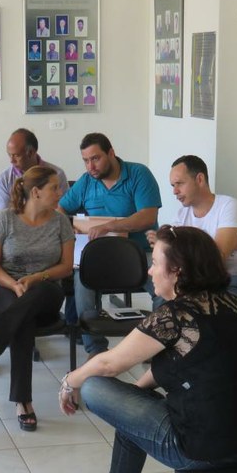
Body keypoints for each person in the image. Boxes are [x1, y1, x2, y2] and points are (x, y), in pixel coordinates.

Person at [59, 225, 237, 473]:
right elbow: (177, 366)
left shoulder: (175, 316)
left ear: (177, 271)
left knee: (94, 388)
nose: (149, 271)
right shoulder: (231, 304)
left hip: (201, 448)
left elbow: (108, 364)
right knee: (129, 418)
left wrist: (70, 381)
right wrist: (132, 398)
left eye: (156, 263)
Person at [0, 166, 74, 431]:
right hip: (6, 287)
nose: (60, 192)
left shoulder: (61, 222)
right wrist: (14, 284)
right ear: (36, 192)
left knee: (34, 297)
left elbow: (66, 267)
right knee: (22, 319)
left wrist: (35, 278)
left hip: (46, 289)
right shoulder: (4, 220)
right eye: (54, 188)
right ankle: (23, 401)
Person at [59, 133, 162, 357]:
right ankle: (95, 349)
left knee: (165, 284)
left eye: (95, 159)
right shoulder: (86, 182)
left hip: (139, 254)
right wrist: (67, 226)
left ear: (111, 153)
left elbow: (147, 216)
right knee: (81, 282)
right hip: (98, 257)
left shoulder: (138, 174)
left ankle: (158, 342)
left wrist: (110, 226)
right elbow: (59, 209)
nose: (90, 166)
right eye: (86, 161)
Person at [149, 155, 237, 308]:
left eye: (179, 184)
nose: (175, 191)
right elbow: (172, 257)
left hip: (229, 282)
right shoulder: (181, 215)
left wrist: (183, 250)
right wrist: (211, 241)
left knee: (211, 312)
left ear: (200, 179)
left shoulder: (229, 206)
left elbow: (215, 260)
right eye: (173, 185)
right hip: (190, 283)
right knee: (163, 304)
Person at [0, 128, 69, 211]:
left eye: (16, 155)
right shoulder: (4, 179)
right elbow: (2, 215)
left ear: (30, 152)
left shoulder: (57, 174)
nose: (11, 161)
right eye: (9, 155)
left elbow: (63, 210)